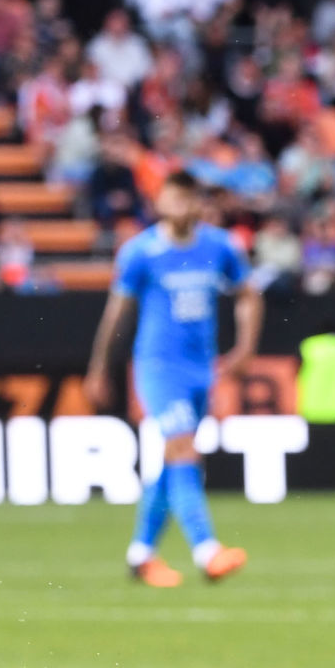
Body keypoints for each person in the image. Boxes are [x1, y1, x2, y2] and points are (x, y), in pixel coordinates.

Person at [83, 170, 262, 587]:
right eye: (173, 198)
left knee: (174, 460)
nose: (180, 207)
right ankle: (207, 550)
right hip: (159, 368)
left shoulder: (220, 246)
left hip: (202, 368)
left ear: (198, 204)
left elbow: (249, 296)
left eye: (187, 199)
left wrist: (246, 348)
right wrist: (99, 367)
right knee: (183, 450)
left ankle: (141, 554)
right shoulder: (140, 252)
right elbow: (117, 312)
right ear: (160, 202)